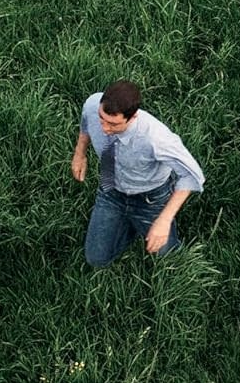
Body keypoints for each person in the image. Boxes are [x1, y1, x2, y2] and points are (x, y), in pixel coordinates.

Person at [71, 80, 205, 267]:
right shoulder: (94, 104)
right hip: (111, 189)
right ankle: (127, 224)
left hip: (150, 198)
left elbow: (192, 175)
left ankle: (141, 222)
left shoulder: (156, 138)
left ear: (132, 117)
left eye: (113, 124)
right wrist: (80, 154)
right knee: (96, 260)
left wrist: (163, 220)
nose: (104, 128)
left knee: (169, 260)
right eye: (102, 119)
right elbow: (87, 123)